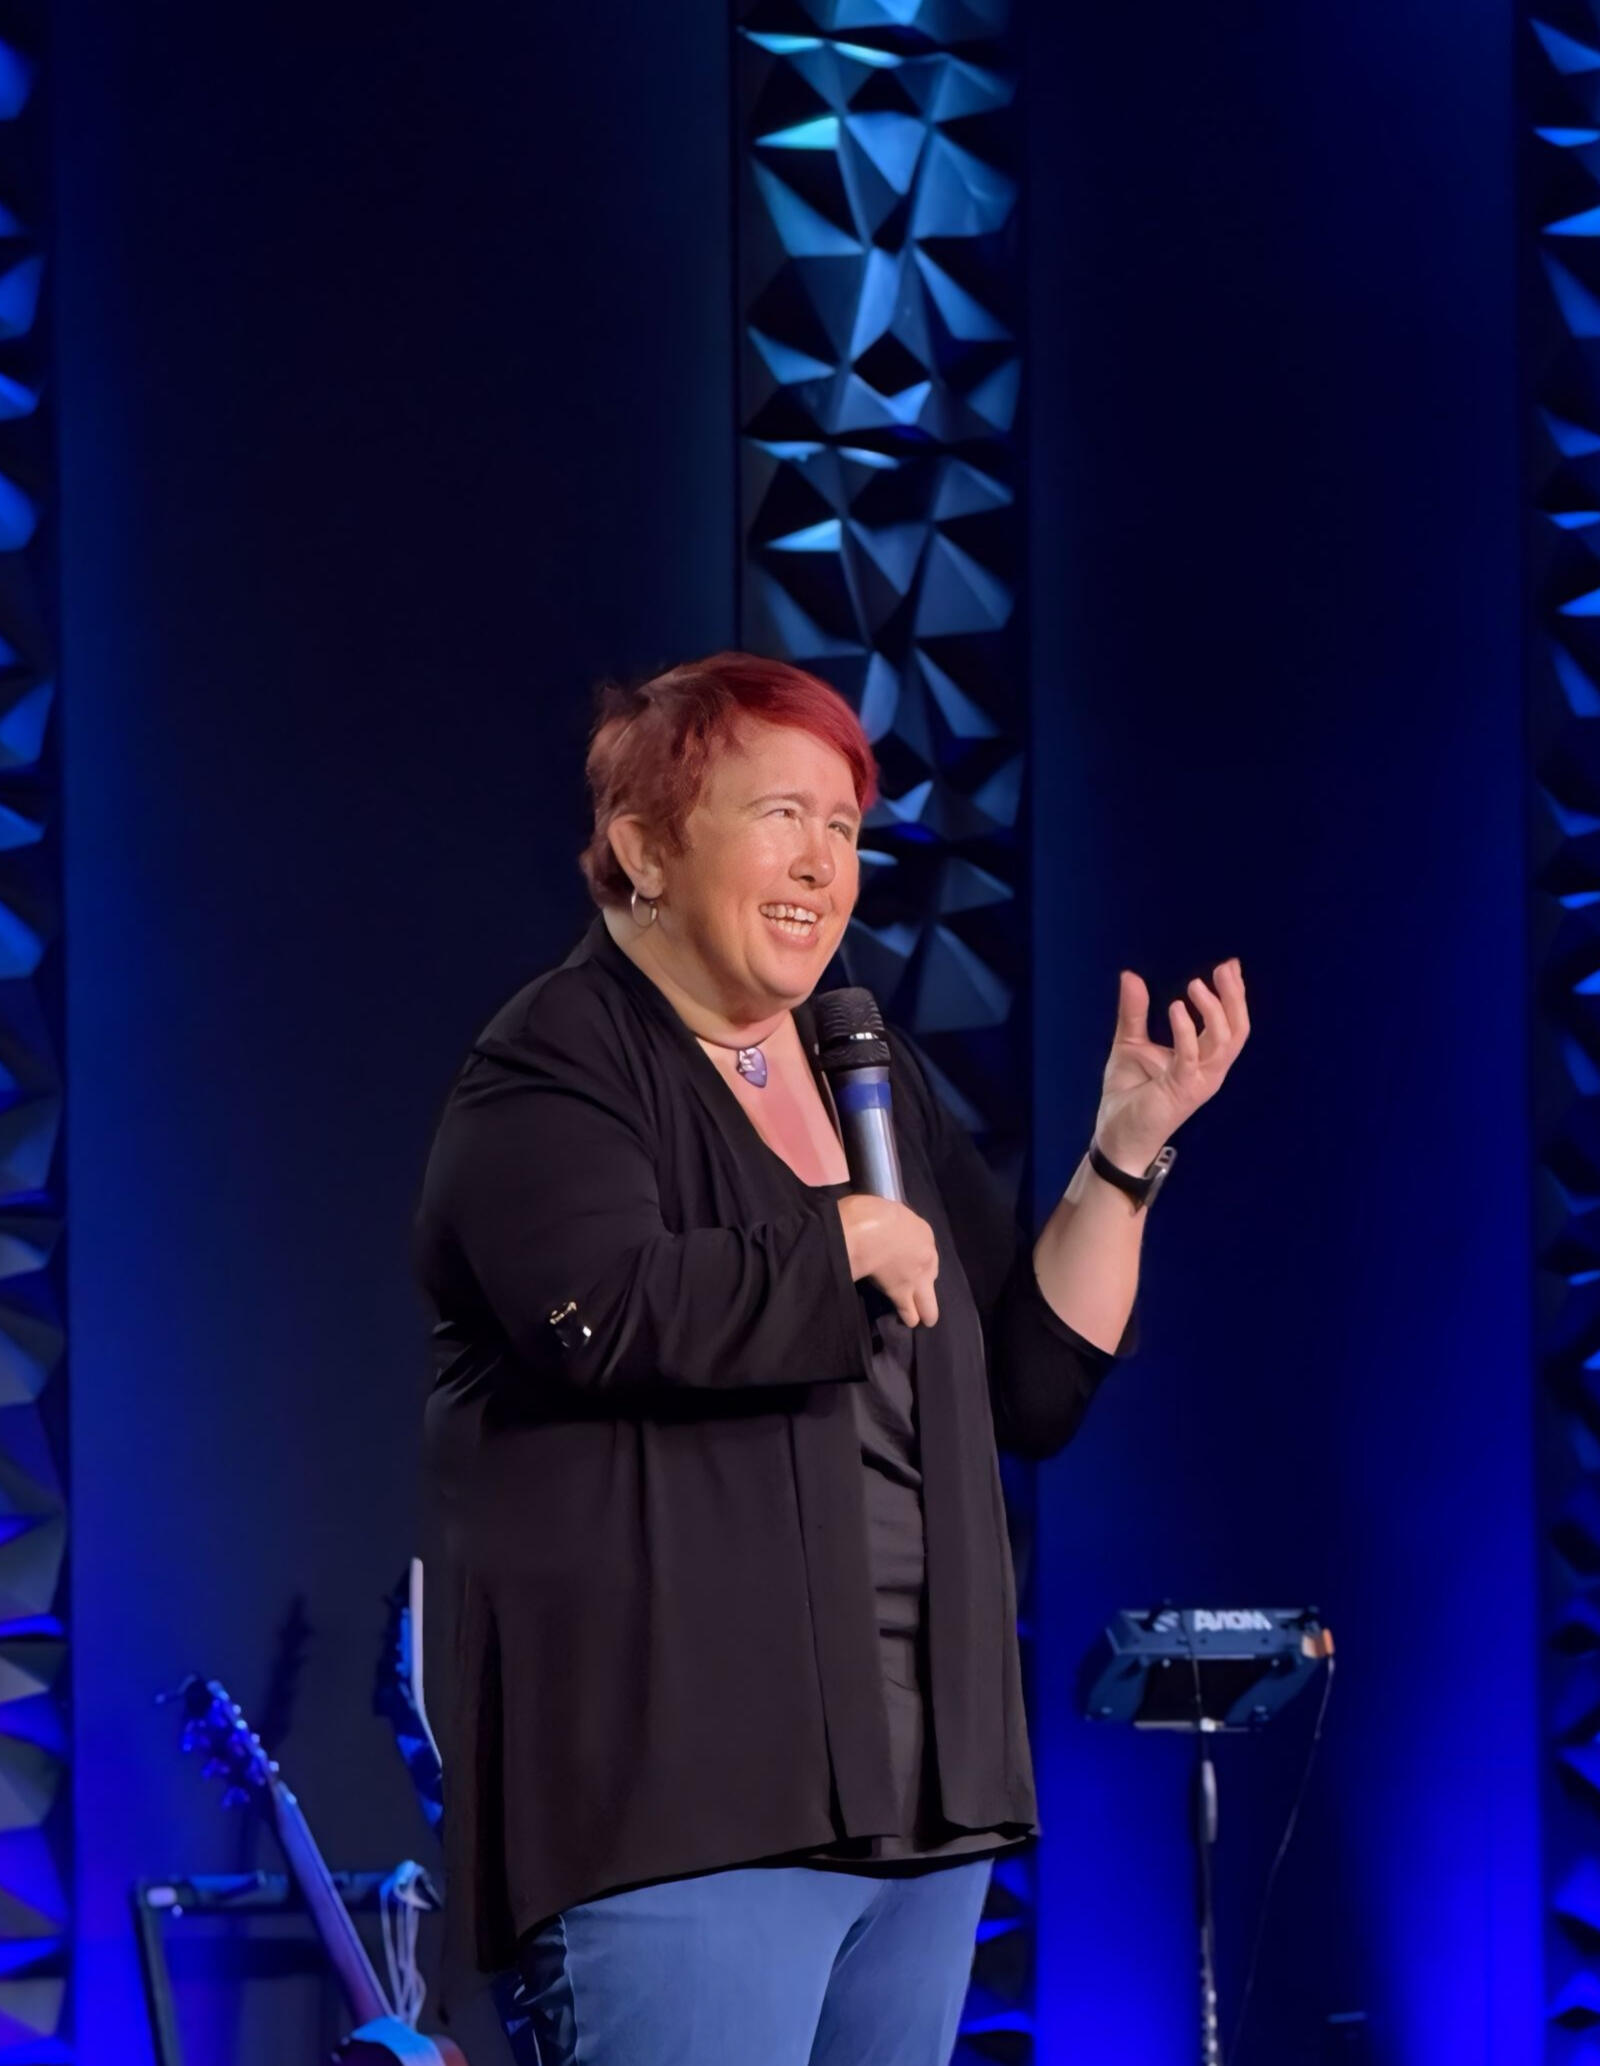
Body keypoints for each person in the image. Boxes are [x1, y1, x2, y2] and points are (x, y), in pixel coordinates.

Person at [414, 651, 1249, 2066]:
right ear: (644, 850)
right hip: (686, 1807)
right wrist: (841, 1235)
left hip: (920, 1803)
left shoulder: (867, 1068)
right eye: (779, 815)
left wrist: (1122, 1158)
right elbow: (602, 1313)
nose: (822, 863)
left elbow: (1028, 1381)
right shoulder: (556, 1058)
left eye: (846, 827)